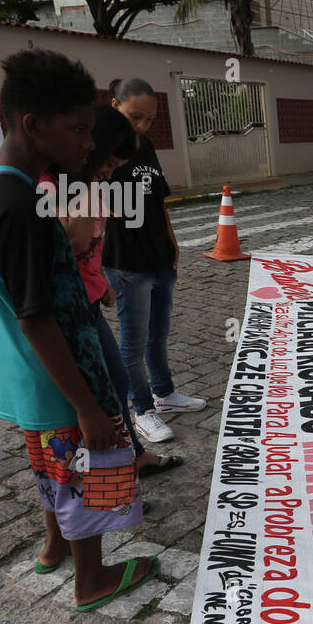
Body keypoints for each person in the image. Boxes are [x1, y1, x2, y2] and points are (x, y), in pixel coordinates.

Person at [0, 48, 158, 610]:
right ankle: (91, 580)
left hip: (23, 375)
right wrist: (88, 407)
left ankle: (53, 546)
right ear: (33, 125)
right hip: (58, 378)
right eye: (79, 131)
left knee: (50, 468)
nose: (88, 145)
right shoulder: (21, 206)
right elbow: (36, 314)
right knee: (85, 470)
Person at [44, 105, 184, 481]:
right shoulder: (55, 183)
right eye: (107, 164)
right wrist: (93, 182)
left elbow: (94, 241)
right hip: (61, 310)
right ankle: (104, 486)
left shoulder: (94, 179)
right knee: (92, 400)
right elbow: (74, 242)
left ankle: (128, 465)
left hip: (88, 296)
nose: (110, 173)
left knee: (115, 384)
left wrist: (100, 282)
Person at [102, 77, 203, 444]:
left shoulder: (146, 146)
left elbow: (158, 200)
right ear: (115, 107)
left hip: (159, 256)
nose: (141, 126)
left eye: (148, 119)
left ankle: (164, 393)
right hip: (127, 261)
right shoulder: (100, 151)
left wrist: (173, 243)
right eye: (134, 117)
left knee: (158, 333)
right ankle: (142, 409)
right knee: (133, 339)